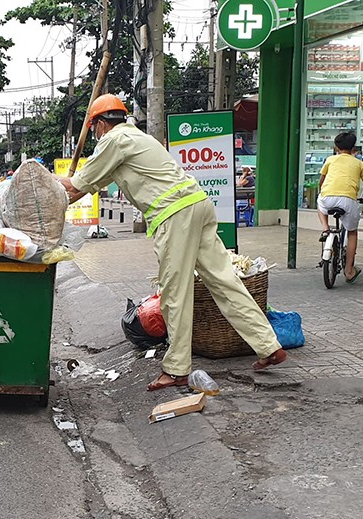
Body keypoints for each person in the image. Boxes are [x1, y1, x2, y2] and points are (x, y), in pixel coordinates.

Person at [56, 94, 286, 391]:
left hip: (174, 214)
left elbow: (75, 186)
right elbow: (82, 190)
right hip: (197, 204)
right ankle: (269, 345)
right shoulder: (137, 138)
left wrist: (36, 183)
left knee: (174, 293)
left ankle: (177, 368)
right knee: (225, 281)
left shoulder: (112, 142)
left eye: (95, 128)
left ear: (99, 125)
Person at [317, 131, 363, 283]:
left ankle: (325, 228)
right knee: (352, 233)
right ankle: (349, 271)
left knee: (320, 201)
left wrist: (322, 191)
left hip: (328, 197)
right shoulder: (358, 163)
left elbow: (321, 182)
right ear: (353, 148)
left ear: (336, 147)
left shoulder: (330, 159)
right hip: (348, 200)